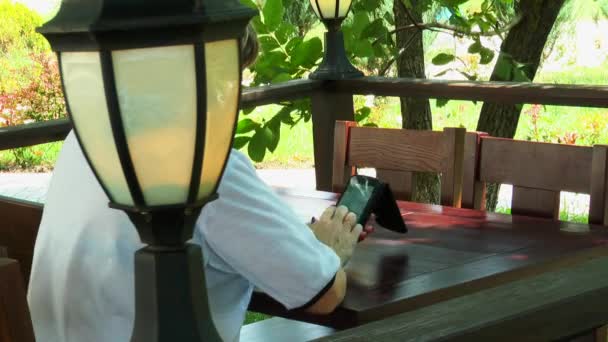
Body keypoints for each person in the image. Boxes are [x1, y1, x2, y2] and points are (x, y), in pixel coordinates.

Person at [27, 26, 366, 342]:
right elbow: (322, 293)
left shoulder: (86, 138)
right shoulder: (201, 163)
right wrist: (328, 249)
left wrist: (297, 243)